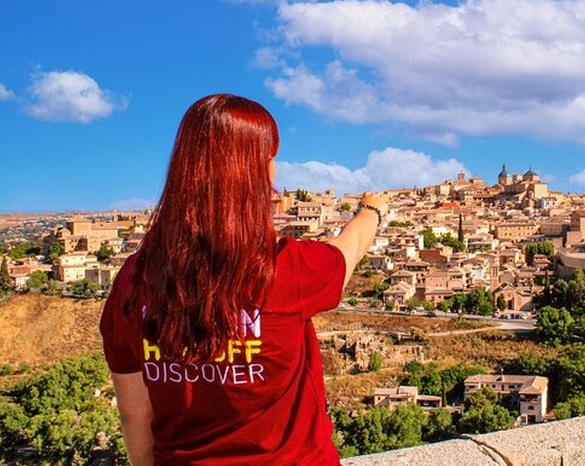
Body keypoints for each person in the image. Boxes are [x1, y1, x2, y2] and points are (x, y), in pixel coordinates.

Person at [100, 94, 388, 465]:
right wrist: (371, 209)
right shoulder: (290, 268)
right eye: (270, 159)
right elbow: (351, 246)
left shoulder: (132, 280)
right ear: (261, 172)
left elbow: (134, 414)